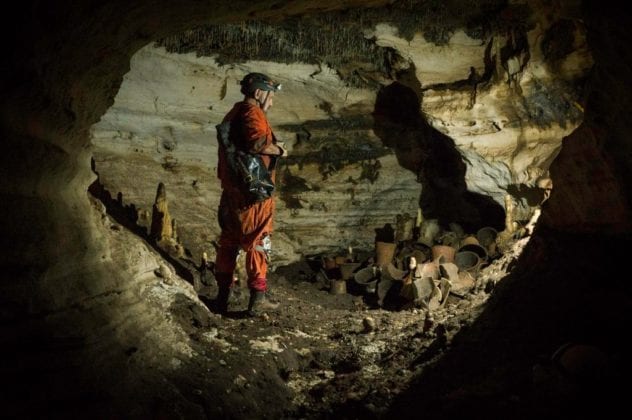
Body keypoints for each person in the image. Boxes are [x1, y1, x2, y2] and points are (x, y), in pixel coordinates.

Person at [214, 72, 287, 316]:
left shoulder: (234, 112)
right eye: (270, 96)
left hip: (233, 191)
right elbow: (257, 143)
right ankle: (257, 299)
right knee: (258, 241)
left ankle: (222, 297)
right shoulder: (251, 112)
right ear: (258, 92)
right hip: (253, 193)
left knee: (229, 241)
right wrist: (279, 150)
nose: (271, 102)